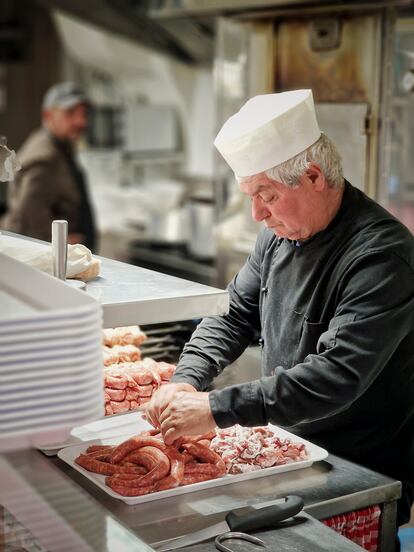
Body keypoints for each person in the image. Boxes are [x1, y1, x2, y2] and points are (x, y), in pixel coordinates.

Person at [146, 89, 414, 529]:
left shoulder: (381, 256)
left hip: (359, 471)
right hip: (285, 444)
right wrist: (186, 380)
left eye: (265, 194)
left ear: (312, 177)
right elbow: (232, 314)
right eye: (250, 195)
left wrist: (215, 408)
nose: (256, 213)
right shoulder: (277, 236)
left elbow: (337, 375)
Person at [1, 82, 96, 251]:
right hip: (46, 263)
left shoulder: (60, 146)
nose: (81, 121)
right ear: (48, 115)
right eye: (70, 113)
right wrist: (54, 243)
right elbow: (28, 211)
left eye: (83, 114)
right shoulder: (45, 155)